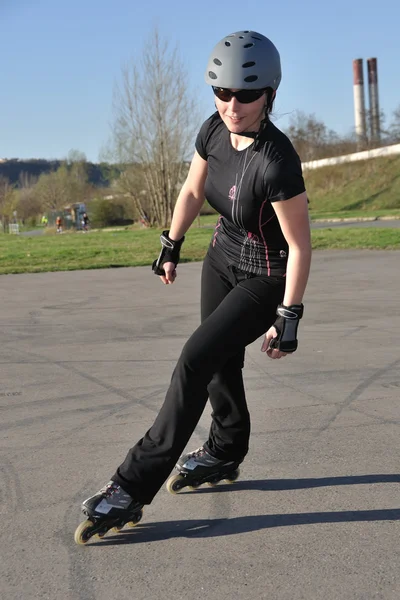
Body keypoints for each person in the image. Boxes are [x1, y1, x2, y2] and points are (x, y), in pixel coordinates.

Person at [75, 30, 312, 544]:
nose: (232, 105)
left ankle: (131, 485)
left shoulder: (277, 162)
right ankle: (226, 449)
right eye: (222, 92)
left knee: (193, 359)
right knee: (218, 362)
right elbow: (190, 188)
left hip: (265, 276)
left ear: (270, 93)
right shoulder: (212, 131)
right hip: (222, 258)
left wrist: (289, 314)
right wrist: (171, 241)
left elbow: (299, 245)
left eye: (246, 94)